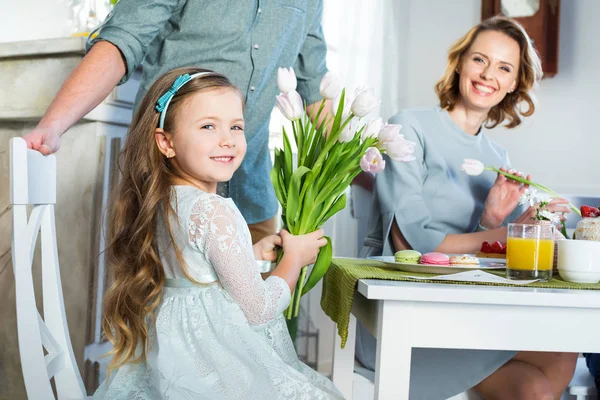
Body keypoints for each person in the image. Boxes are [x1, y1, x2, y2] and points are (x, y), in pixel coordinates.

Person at [358, 17, 577, 399]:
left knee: (558, 361)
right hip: (401, 313)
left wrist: (514, 222)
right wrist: (503, 234)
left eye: (504, 68)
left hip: (467, 309)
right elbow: (415, 245)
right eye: (480, 59)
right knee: (540, 383)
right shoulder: (409, 127)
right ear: (460, 63)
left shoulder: (496, 156)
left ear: (513, 84)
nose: (488, 74)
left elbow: (487, 260)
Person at [92, 67, 343, 399]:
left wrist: (250, 254)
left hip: (172, 363)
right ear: (166, 142)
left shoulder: (163, 199)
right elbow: (258, 310)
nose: (227, 139)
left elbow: (197, 272)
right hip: (213, 364)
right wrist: (294, 260)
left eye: (235, 126)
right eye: (208, 126)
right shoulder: (214, 209)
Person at [22, 0, 329, 244]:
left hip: (251, 198)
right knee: (158, 311)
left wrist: (361, 149)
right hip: (167, 190)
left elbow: (315, 88)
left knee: (249, 317)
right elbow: (123, 40)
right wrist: (53, 125)